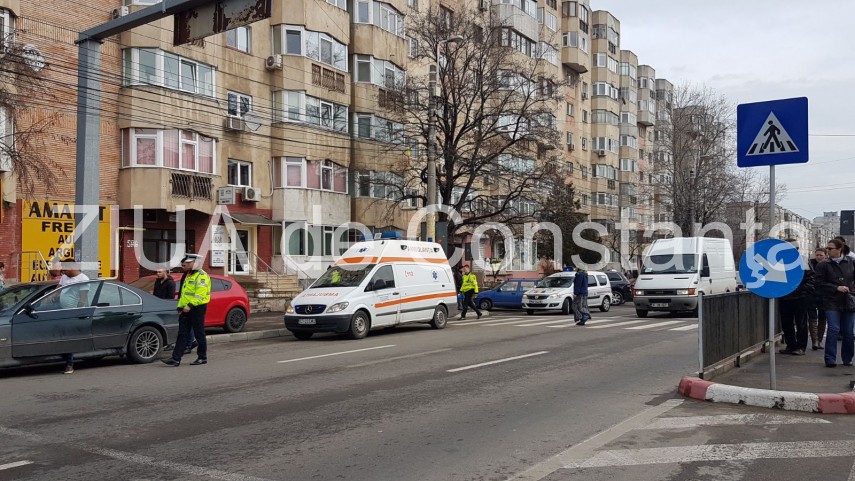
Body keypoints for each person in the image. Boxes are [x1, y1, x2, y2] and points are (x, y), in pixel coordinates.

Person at [162, 254, 211, 367]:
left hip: (197, 308)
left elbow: (200, 294)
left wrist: (189, 305)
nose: (183, 265)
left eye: (186, 264)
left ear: (195, 263)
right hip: (186, 309)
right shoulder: (187, 275)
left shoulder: (202, 276)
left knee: (199, 333)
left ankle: (202, 357)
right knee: (182, 333)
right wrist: (180, 306)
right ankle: (175, 358)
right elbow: (183, 294)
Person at [814, 239, 855, 368]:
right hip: (831, 301)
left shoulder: (851, 263)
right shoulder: (824, 265)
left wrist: (852, 289)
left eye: (830, 248)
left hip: (848, 301)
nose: (828, 250)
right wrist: (835, 288)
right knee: (833, 329)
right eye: (827, 248)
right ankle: (830, 359)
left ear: (839, 249)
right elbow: (818, 283)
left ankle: (847, 358)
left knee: (848, 331)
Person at [777, 240, 814, 355]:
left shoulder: (802, 260)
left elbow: (811, 279)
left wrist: (803, 291)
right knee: (786, 323)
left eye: (796, 247)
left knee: (801, 322)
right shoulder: (780, 261)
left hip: (800, 297)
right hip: (784, 297)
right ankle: (791, 345)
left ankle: (801, 347)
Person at [58, 262, 90, 374]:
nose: (63, 271)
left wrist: (76, 314)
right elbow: (57, 291)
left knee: (69, 337)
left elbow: (83, 299)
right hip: (61, 312)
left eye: (65, 269)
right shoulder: (64, 277)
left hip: (73, 314)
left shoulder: (83, 279)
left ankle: (69, 364)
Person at [808, 248, 828, 350]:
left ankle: (819, 340)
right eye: (817, 255)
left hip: (824, 294)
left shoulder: (828, 265)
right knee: (812, 317)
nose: (819, 257)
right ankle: (814, 341)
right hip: (812, 293)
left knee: (822, 317)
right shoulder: (810, 264)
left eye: (821, 255)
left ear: (825, 255)